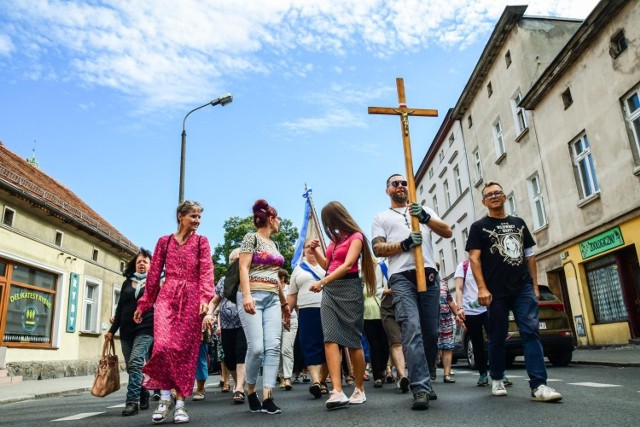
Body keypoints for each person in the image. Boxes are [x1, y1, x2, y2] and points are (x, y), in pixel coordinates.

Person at [466, 181, 562, 402]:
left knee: (531, 332)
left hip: (522, 288)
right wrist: (481, 287)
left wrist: (535, 286)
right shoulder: (478, 227)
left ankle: (539, 385)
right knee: (498, 336)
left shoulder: (518, 223)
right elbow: (474, 258)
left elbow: (530, 255)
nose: (494, 196)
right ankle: (497, 377)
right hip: (495, 291)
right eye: (489, 194)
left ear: (504, 197)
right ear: (484, 202)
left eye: (498, 192)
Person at [371, 174, 452, 410]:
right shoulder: (381, 217)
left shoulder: (423, 209)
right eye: (395, 183)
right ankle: (420, 388)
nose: (400, 186)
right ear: (388, 190)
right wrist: (403, 245)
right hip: (401, 277)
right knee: (411, 329)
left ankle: (427, 380)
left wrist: (426, 218)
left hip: (427, 274)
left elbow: (447, 232)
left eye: (404, 183)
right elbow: (377, 248)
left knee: (430, 332)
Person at [134, 200, 215, 424]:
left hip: (191, 298)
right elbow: (153, 276)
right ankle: (164, 398)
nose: (197, 221)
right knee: (162, 346)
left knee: (184, 352)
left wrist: (205, 299)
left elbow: (207, 271)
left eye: (199, 217)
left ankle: (180, 404)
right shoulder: (164, 242)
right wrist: (144, 303)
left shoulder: (201, 242)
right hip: (167, 295)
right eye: (193, 217)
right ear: (181, 216)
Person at [308, 201, 377, 410]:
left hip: (348, 288)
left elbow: (348, 265)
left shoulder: (356, 236)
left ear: (337, 218)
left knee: (352, 340)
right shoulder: (334, 240)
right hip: (330, 290)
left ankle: (359, 388)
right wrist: (317, 251)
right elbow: (329, 266)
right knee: (330, 337)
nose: (328, 226)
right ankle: (337, 390)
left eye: (329, 221)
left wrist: (322, 282)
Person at [237, 199, 291, 415]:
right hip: (253, 296)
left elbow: (275, 277)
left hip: (272, 299)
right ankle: (250, 390)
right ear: (270, 218)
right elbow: (243, 267)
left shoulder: (274, 245)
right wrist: (247, 296)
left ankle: (268, 396)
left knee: (273, 347)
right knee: (257, 347)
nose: (279, 222)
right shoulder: (251, 238)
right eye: (277, 218)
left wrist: (285, 303)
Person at [106, 248, 154, 416]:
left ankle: (131, 402)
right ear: (134, 264)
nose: (141, 264)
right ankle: (144, 392)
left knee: (135, 363)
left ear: (151, 265)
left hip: (146, 329)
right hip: (126, 331)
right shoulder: (127, 283)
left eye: (145, 262)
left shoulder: (154, 284)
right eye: (139, 261)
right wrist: (112, 330)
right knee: (131, 367)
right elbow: (120, 309)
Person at [288, 239, 329, 399]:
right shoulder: (298, 269)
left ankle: (324, 380)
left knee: (328, 344)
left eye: (315, 246)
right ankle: (316, 381)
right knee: (310, 344)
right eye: (308, 247)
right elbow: (292, 294)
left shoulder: (327, 266)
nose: (311, 249)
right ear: (303, 250)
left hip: (327, 309)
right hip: (306, 311)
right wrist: (286, 313)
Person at [207, 248, 247, 404]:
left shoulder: (248, 278)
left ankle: (239, 388)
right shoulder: (223, 280)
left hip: (244, 324)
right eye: (232, 260)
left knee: (241, 354)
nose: (235, 262)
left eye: (238, 259)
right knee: (229, 358)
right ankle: (239, 383)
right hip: (226, 326)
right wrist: (210, 313)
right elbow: (215, 300)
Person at [378, 258, 410, 391]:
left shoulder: (407, 260)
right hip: (388, 306)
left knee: (408, 341)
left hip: (406, 302)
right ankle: (402, 376)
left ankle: (405, 374)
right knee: (396, 342)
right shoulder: (381, 267)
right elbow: (373, 288)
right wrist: (388, 291)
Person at [362, 259, 390, 388]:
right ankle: (377, 376)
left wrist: (384, 291)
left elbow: (381, 289)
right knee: (374, 346)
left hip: (381, 312)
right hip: (367, 316)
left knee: (384, 345)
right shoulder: (360, 279)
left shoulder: (379, 273)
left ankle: (383, 369)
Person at [437, 275, 461, 384]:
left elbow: (450, 300)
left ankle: (446, 374)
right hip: (431, 319)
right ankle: (429, 372)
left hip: (445, 319)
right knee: (430, 346)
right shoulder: (421, 281)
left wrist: (458, 315)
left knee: (447, 346)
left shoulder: (443, 283)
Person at [278, 268, 298, 391]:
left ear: (282, 278)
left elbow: (296, 305)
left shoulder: (290, 289)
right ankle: (281, 376)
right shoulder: (273, 290)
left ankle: (287, 377)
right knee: (278, 349)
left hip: (291, 320)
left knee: (286, 348)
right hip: (275, 321)